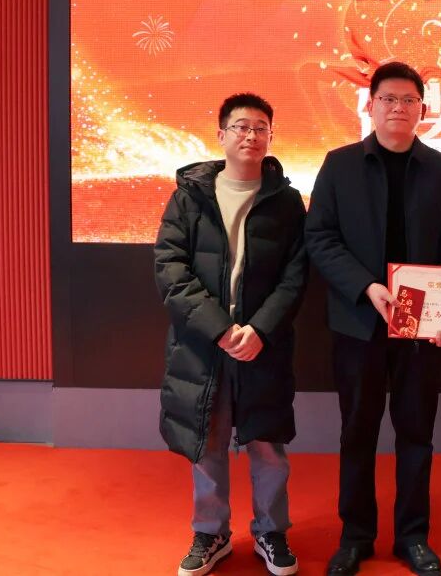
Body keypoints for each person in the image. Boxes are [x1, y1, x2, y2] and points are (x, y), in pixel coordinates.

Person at [306, 62, 441, 576]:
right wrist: (366, 285)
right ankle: (355, 537)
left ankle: (412, 537)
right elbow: (320, 238)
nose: (398, 108)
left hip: (421, 327)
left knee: (416, 433)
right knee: (357, 432)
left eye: (408, 100)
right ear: (371, 105)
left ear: (423, 109)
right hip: (359, 322)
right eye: (388, 99)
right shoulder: (339, 165)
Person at [155, 93, 309, 576]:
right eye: (241, 126)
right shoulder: (189, 197)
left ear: (270, 137)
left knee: (267, 443)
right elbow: (170, 270)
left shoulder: (286, 202)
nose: (251, 136)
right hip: (204, 346)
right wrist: (220, 330)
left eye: (261, 127)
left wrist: (260, 329)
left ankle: (271, 530)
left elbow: (295, 276)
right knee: (208, 440)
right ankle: (211, 532)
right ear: (221, 134)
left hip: (263, 344)